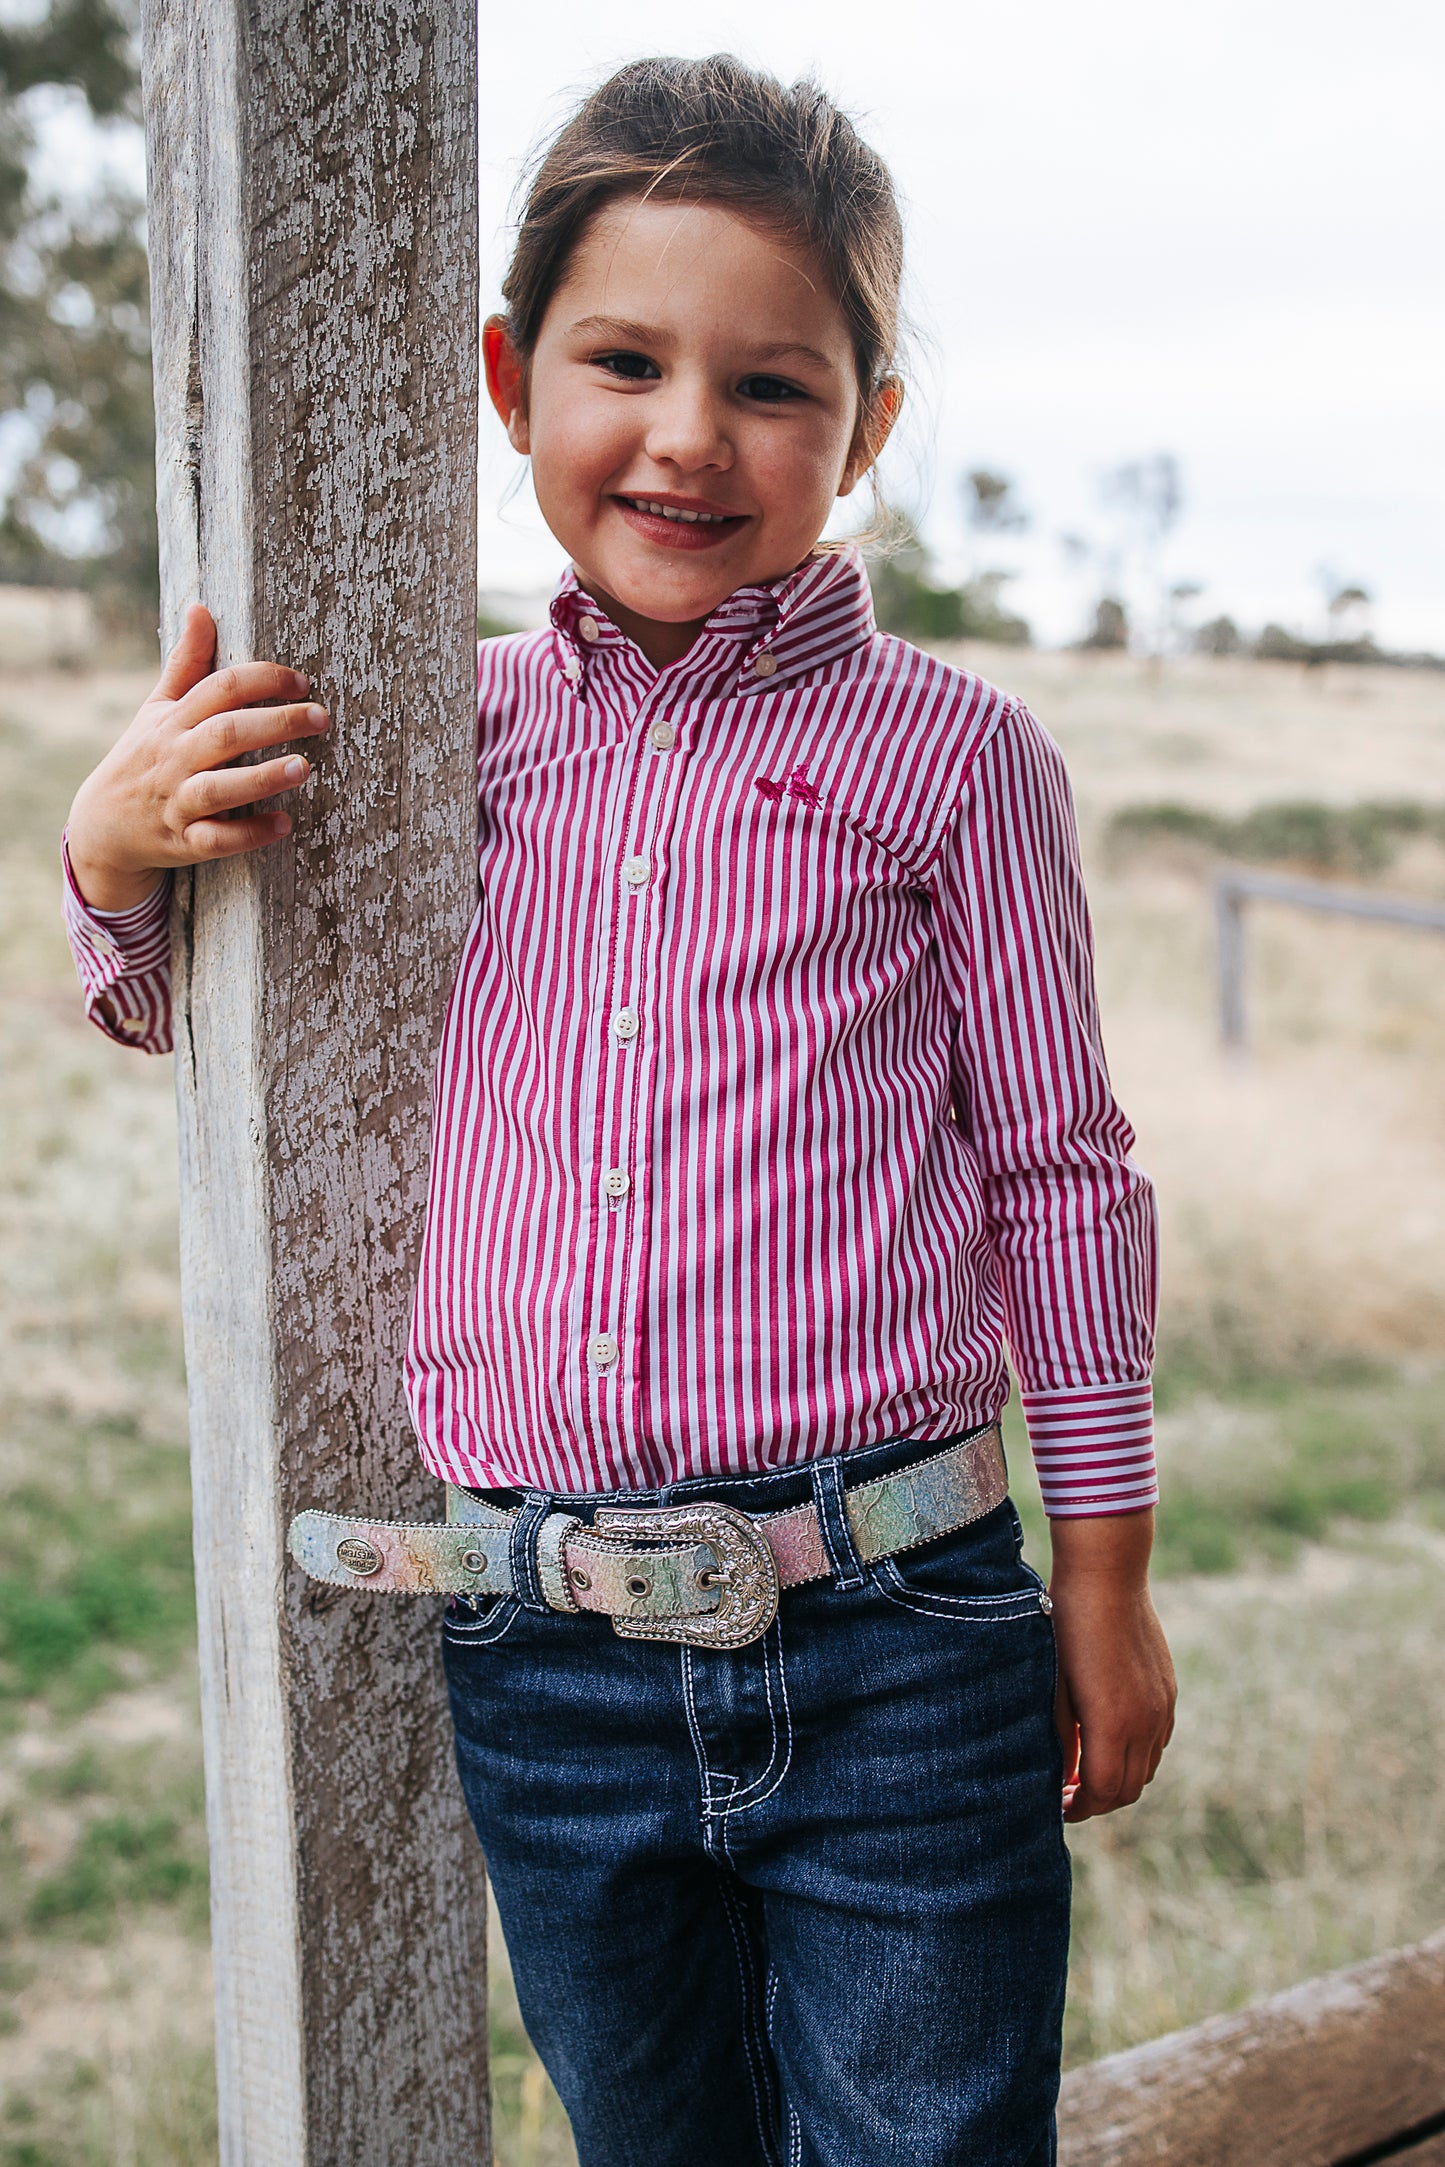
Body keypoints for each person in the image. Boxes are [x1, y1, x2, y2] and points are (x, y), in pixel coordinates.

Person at [60, 54, 1175, 2167]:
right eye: (623, 360)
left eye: (774, 384)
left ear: (866, 433)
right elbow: (215, 1033)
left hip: (904, 1630)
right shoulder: (430, 739)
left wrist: (1104, 1574)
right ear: (508, 375)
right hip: (543, 1650)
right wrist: (110, 864)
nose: (689, 435)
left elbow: (1064, 1175)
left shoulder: (954, 761)